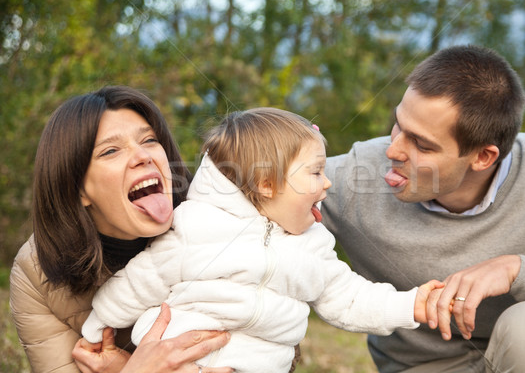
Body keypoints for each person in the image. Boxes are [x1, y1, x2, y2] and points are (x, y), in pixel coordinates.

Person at [80, 107, 445, 373]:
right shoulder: (198, 227)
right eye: (316, 172)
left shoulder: (312, 246)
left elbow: (349, 297)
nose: (327, 183)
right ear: (267, 185)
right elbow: (144, 278)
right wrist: (100, 324)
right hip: (181, 357)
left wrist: (409, 305)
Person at [321, 44, 525, 372]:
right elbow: (255, 194)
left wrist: (521, 273)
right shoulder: (353, 175)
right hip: (418, 368)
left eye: (422, 145)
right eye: (398, 125)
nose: (393, 150)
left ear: (483, 157)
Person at [9, 86, 232, 373]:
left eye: (149, 140)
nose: (142, 155)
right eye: (111, 150)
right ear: (78, 190)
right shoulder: (35, 273)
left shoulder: (220, 224)